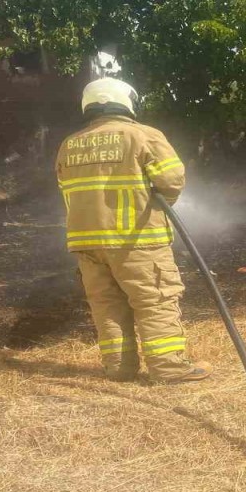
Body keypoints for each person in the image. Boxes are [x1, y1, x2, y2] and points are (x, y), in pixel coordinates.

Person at [55, 78, 210, 384]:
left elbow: (66, 189)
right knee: (155, 300)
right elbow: (172, 181)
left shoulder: (69, 144)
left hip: (86, 242)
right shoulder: (142, 135)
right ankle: (169, 368)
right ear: (127, 101)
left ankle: (119, 368)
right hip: (135, 240)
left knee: (107, 306)